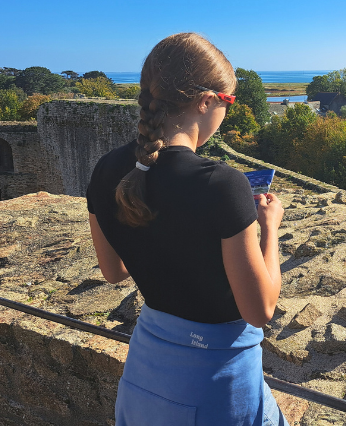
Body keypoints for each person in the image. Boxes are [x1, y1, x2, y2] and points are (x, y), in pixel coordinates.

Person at [85, 33, 287, 426]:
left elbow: (114, 272)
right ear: (207, 100)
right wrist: (270, 228)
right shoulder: (221, 184)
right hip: (214, 384)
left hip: (146, 371)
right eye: (228, 102)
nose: (226, 113)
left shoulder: (106, 170)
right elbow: (260, 310)